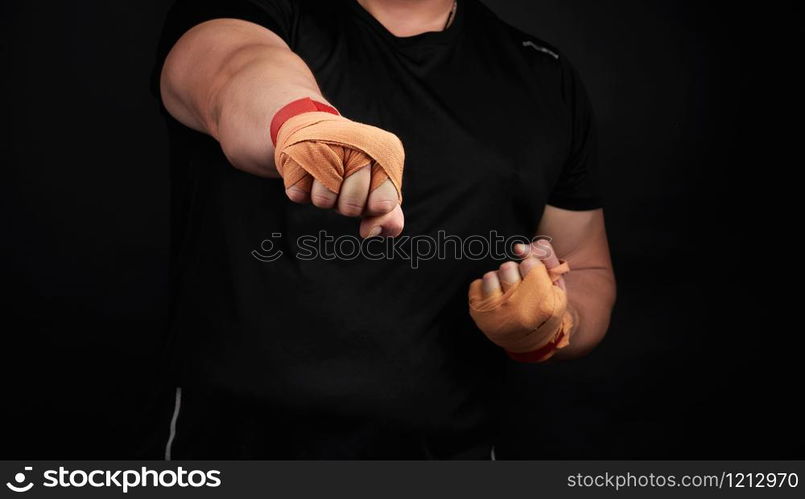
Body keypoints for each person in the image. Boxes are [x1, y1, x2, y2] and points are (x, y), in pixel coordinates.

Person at [153, 0, 616, 459]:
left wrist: (552, 321)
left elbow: (587, 265)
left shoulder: (543, 74)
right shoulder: (249, 10)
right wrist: (301, 122)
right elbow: (235, 69)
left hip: (452, 454)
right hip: (235, 448)